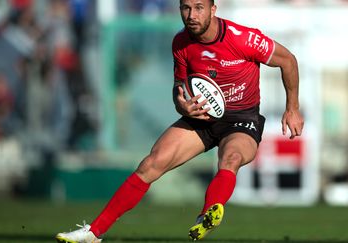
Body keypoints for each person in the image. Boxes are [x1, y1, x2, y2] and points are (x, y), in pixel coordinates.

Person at [55, 0, 304, 242]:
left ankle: (207, 214)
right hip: (200, 117)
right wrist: (181, 104)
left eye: (198, 8)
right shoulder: (181, 42)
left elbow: (288, 60)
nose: (191, 15)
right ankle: (93, 233)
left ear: (213, 9)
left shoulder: (242, 38)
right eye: (185, 8)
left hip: (241, 119)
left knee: (231, 159)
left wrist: (292, 108)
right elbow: (179, 87)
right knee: (151, 164)